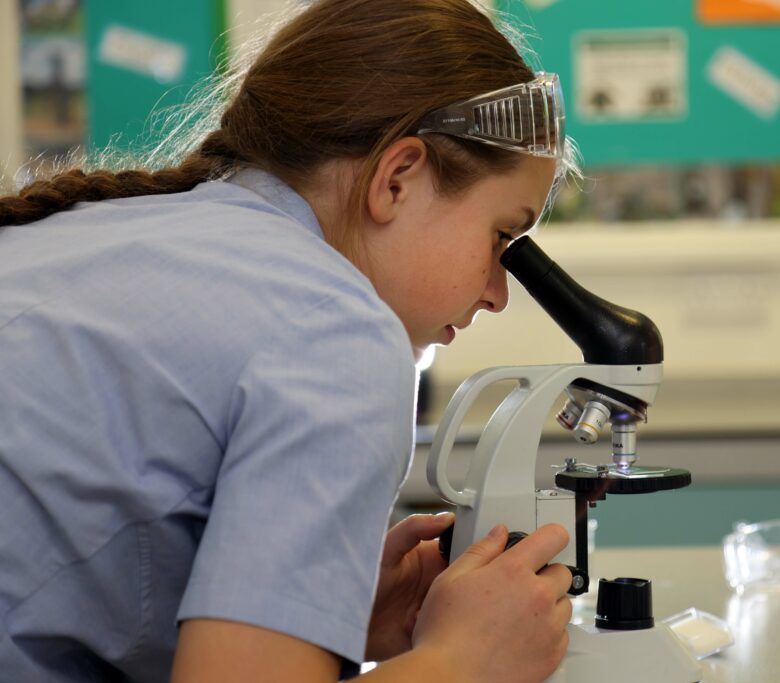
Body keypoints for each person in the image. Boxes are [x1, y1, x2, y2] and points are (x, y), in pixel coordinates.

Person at [0, 1, 581, 681]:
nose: (497, 291)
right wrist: (466, 660)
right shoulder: (336, 332)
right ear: (397, 179)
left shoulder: (104, 232)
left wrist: (325, 616)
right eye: (500, 238)